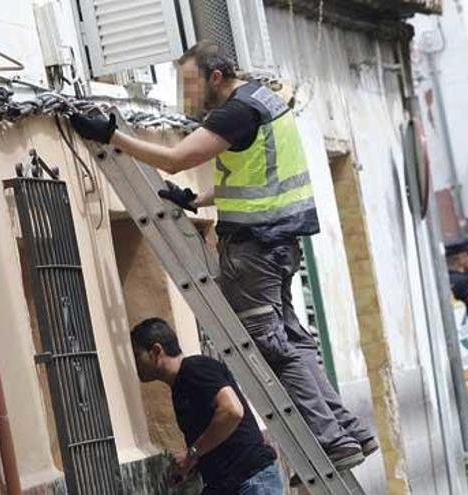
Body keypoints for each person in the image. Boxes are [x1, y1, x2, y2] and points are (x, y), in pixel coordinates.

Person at [71, 41, 376, 473]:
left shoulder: (235, 111)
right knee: (291, 338)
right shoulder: (264, 101)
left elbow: (177, 159)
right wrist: (198, 200)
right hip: (279, 242)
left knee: (270, 346)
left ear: (216, 77)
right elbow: (254, 175)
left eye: (191, 84)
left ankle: (331, 438)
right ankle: (348, 429)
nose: (187, 96)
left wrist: (112, 136)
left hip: (254, 247)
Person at [131, 318, 282, 494]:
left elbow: (232, 411)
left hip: (250, 480)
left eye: (137, 355)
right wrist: (192, 463)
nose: (136, 365)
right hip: (226, 484)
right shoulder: (180, 385)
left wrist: (192, 454)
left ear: (156, 351)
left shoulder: (196, 369)